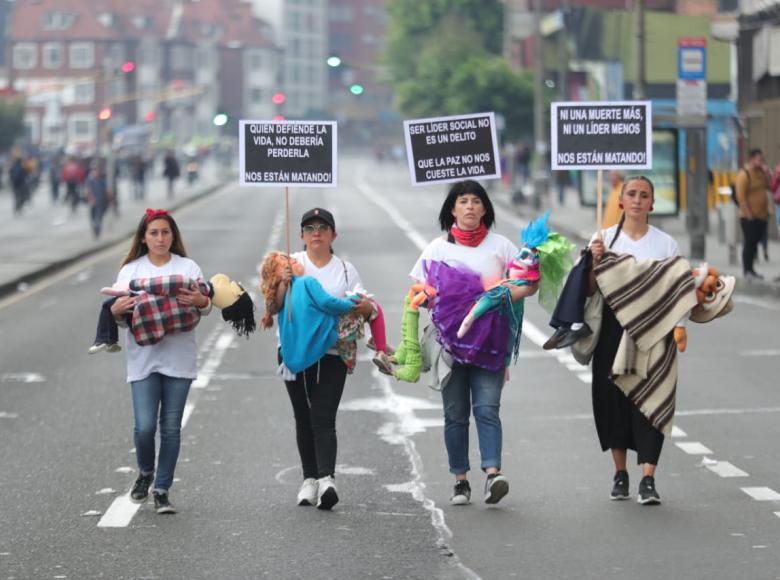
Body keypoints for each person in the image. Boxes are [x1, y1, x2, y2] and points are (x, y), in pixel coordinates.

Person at [410, 180, 538, 506]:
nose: (469, 207)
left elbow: (527, 285)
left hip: (492, 345)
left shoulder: (502, 246)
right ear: (452, 209)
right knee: (455, 414)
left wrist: (502, 294)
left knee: (487, 409)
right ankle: (460, 480)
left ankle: (493, 474)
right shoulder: (437, 249)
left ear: (485, 208)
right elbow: (419, 292)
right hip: (449, 348)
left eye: (476, 201)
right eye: (463, 201)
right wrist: (430, 298)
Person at [267, 208, 374, 510]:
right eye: (310, 228)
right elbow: (273, 307)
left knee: (323, 416)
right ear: (301, 235)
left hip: (333, 352)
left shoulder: (345, 270)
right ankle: (309, 479)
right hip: (294, 353)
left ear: (333, 235)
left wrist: (363, 306)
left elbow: (363, 307)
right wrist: (281, 284)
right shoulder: (289, 265)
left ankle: (327, 478)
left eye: (323, 227)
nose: (316, 232)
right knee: (303, 416)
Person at [587, 176, 684, 505]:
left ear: (652, 204)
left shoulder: (666, 245)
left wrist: (679, 327)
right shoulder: (604, 240)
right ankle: (620, 473)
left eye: (644, 195)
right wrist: (593, 261)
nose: (638, 200)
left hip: (655, 331)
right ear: (620, 201)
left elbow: (679, 289)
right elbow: (587, 290)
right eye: (632, 194)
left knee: (652, 401)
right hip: (613, 331)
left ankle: (647, 478)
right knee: (613, 400)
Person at [109, 208, 211, 514]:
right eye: (154, 233)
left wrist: (200, 301)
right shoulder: (131, 271)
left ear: (173, 236)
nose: (160, 238)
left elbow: (204, 306)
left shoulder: (188, 267)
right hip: (143, 359)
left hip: (179, 357)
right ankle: (145, 472)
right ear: (144, 237)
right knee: (143, 427)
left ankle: (162, 489)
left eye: (165, 232)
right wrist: (115, 312)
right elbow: (121, 314)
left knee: (170, 428)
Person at [736, 148, 771, 280]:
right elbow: (741, 197)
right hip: (749, 217)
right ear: (752, 160)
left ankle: (752, 269)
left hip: (761, 215)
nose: (762, 162)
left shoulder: (761, 173)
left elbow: (769, 187)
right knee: (749, 243)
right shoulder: (744, 174)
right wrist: (749, 213)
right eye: (759, 159)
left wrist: (767, 173)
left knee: (755, 243)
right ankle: (747, 270)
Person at [84, 162, 111, 239]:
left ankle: (97, 229)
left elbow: (108, 190)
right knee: (93, 217)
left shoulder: (103, 179)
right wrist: (89, 199)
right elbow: (87, 190)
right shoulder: (90, 179)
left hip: (101, 201)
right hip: (93, 202)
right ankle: (96, 227)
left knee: (99, 217)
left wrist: (109, 200)